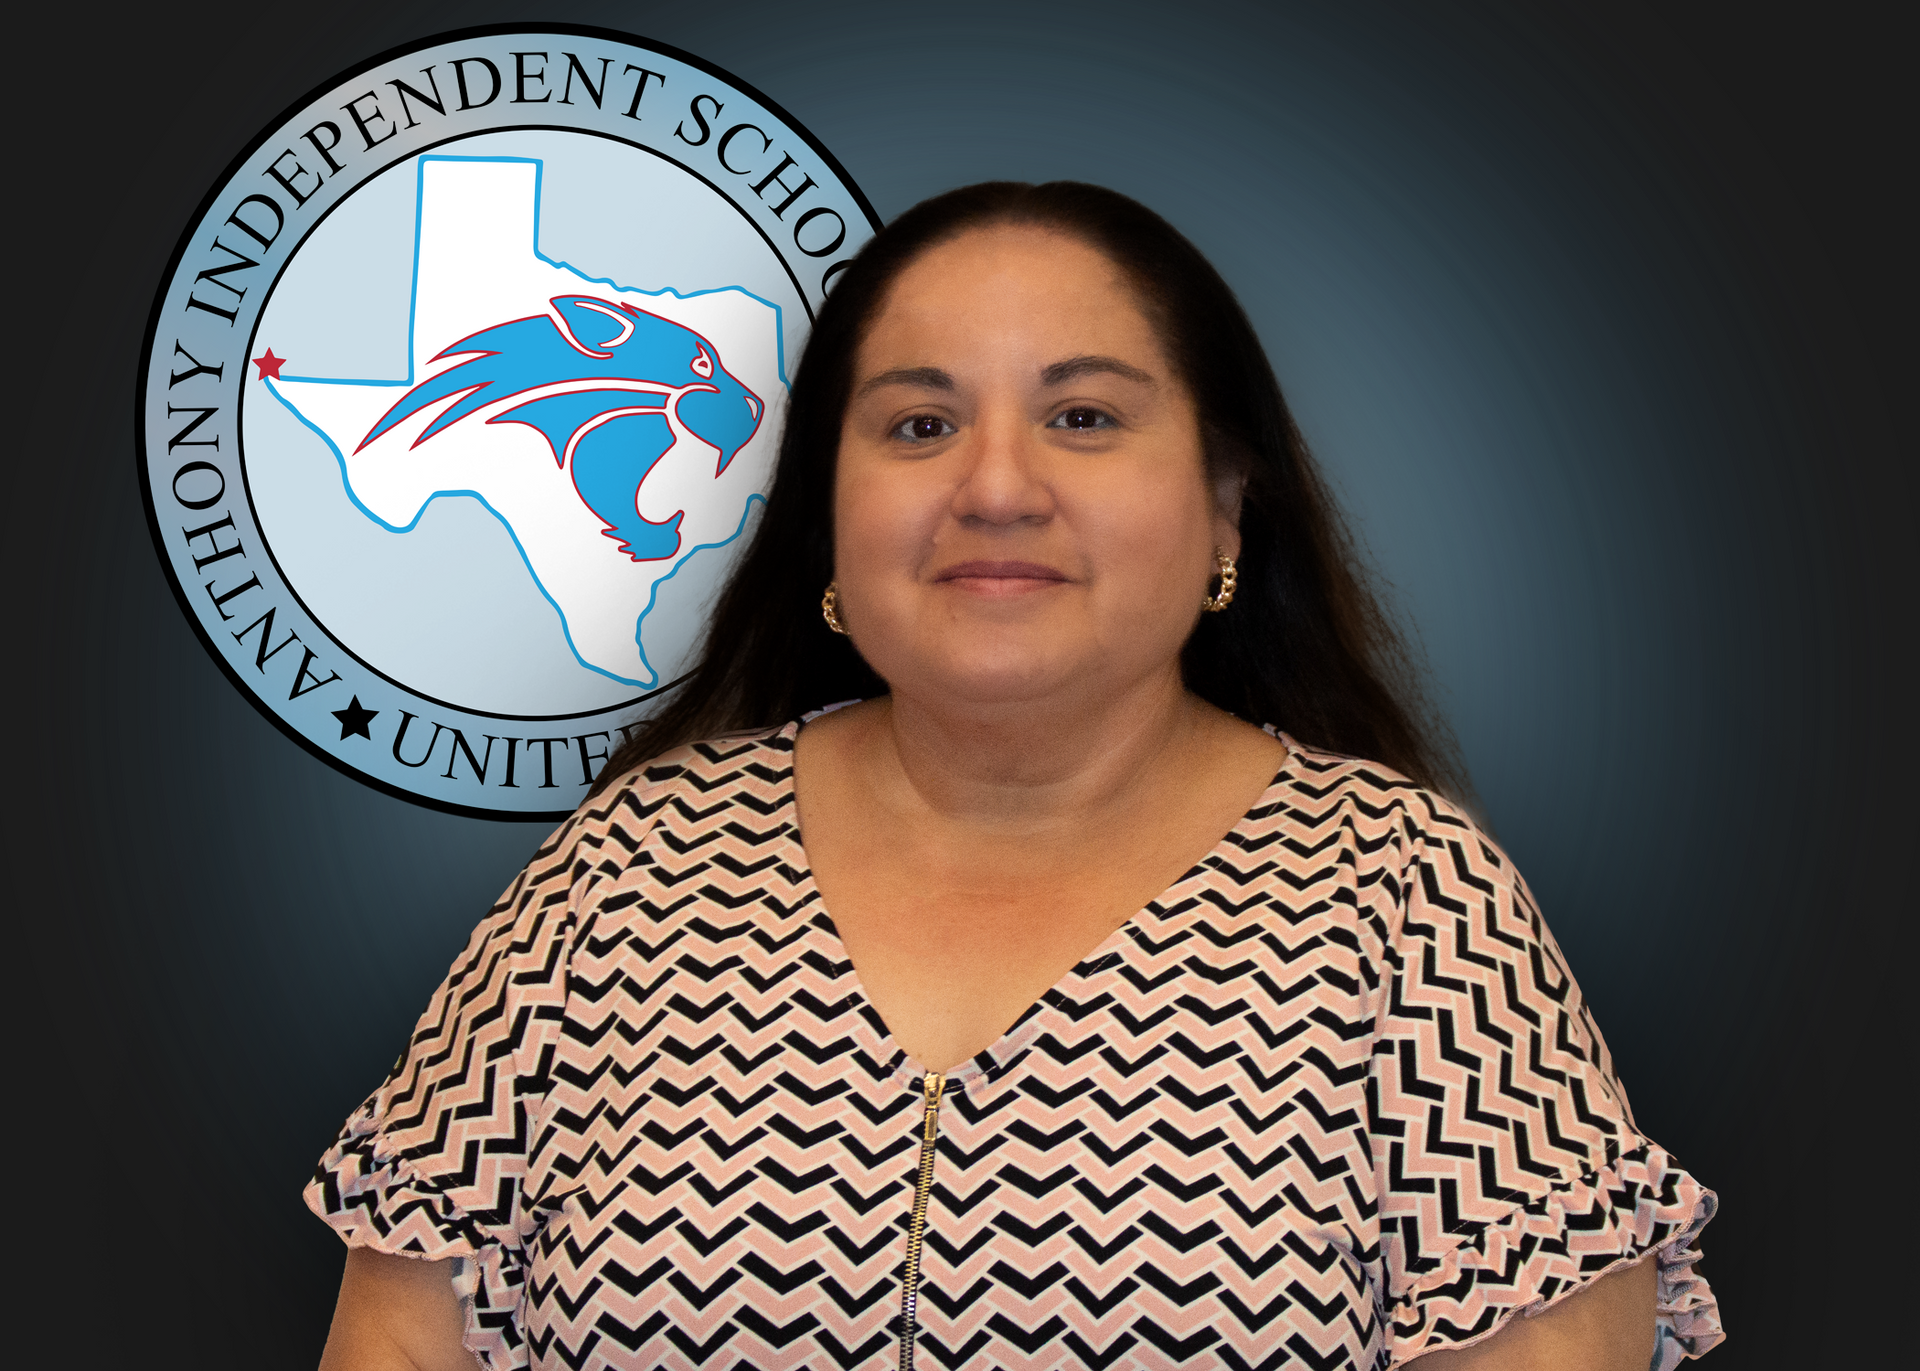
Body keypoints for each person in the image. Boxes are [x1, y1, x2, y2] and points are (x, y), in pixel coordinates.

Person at [308, 182, 1723, 1371]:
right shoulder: (623, 873)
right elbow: (398, 1332)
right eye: (920, 425)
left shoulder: (1408, 901)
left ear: (1227, 500)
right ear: (832, 515)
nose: (995, 486)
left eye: (1085, 418)